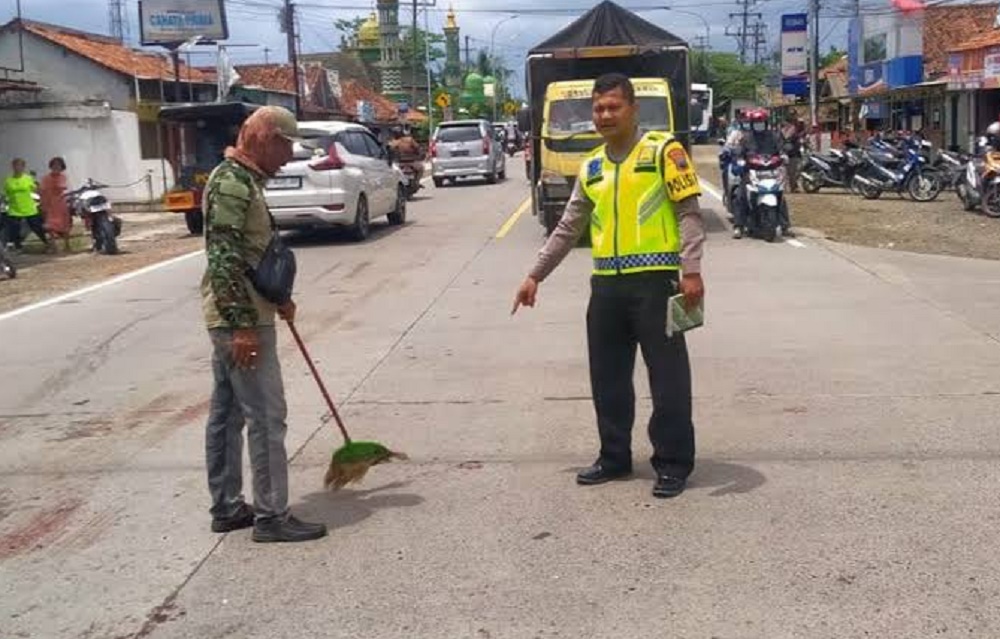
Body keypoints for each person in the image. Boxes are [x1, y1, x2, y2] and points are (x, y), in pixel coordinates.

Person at [512, 73, 705, 499]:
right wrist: (534, 275)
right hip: (607, 289)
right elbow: (567, 227)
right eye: (598, 108)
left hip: (656, 283)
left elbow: (688, 213)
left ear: (633, 108)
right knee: (608, 379)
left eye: (613, 106)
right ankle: (614, 456)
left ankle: (673, 462)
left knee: (669, 379)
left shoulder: (663, 152)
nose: (604, 114)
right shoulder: (593, 165)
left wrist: (691, 270)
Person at [200, 105, 327, 543]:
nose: (290, 155)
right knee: (267, 417)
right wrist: (241, 326)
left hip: (247, 312)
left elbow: (253, 253)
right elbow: (225, 258)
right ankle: (271, 515)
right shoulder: (233, 184)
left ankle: (228, 506)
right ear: (266, 138)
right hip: (242, 319)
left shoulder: (244, 181)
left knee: (228, 413)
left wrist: (281, 298)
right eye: (286, 144)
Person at [729, 108, 793, 238]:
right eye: (756, 122)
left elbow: (782, 148)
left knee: (780, 195)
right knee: (741, 195)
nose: (759, 125)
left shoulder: (774, 136)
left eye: (761, 122)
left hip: (771, 171)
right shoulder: (746, 137)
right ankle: (738, 226)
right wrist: (740, 159)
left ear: (766, 123)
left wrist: (784, 155)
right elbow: (739, 151)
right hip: (752, 172)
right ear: (751, 124)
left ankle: (785, 225)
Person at [3, 158, 50, 252]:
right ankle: (18, 247)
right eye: (15, 166)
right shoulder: (8, 180)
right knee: (15, 229)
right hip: (14, 208)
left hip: (29, 207)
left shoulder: (28, 178)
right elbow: (5, 194)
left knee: (36, 227)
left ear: (23, 167)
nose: (17, 168)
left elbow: (36, 189)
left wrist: (44, 199)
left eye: (20, 166)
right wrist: (5, 202)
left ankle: (47, 243)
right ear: (12, 167)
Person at [39, 157, 72, 253]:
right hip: (49, 203)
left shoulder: (63, 177)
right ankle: (54, 246)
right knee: (50, 225)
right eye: (54, 165)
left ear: (62, 167)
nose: (56, 167)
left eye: (58, 165)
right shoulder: (46, 178)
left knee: (65, 224)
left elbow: (63, 187)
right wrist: (42, 203)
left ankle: (67, 245)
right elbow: (42, 190)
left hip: (60, 204)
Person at [781, 112, 805, 193]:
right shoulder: (786, 130)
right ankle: (790, 187)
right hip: (787, 153)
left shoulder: (794, 130)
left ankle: (793, 187)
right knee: (788, 172)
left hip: (793, 153)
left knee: (793, 172)